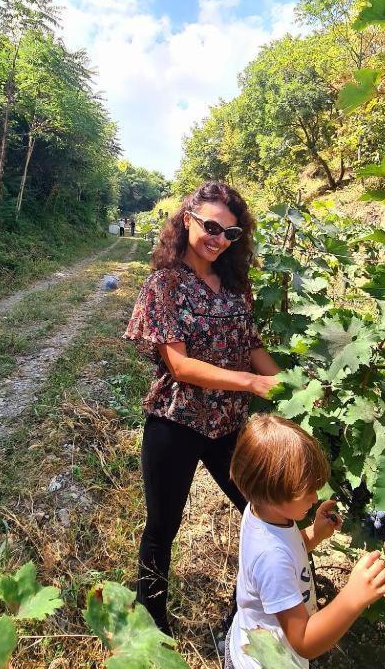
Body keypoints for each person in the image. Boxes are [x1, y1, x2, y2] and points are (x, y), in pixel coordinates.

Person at [124, 181, 280, 634]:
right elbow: (180, 365)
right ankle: (150, 622)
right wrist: (254, 383)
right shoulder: (165, 284)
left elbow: (251, 345)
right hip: (176, 420)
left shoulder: (234, 284)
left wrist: (291, 386)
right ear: (187, 218)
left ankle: (249, 608)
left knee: (259, 507)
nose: (218, 240)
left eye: (230, 234)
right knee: (163, 524)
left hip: (228, 424)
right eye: (211, 227)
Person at [225, 415, 385, 668]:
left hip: (255, 641)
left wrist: (314, 535)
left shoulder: (263, 513)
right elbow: (303, 641)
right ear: (271, 492)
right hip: (267, 662)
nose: (315, 498)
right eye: (307, 492)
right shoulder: (271, 559)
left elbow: (286, 551)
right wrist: (352, 597)